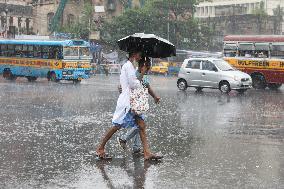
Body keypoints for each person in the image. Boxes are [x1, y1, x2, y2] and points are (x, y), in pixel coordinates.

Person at [96, 51, 162, 160]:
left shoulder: (130, 66)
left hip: (133, 103)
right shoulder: (128, 66)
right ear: (134, 54)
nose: (140, 56)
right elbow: (133, 84)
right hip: (128, 103)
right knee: (117, 126)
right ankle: (100, 148)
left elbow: (134, 83)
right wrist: (142, 73)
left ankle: (147, 153)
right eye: (139, 54)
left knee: (141, 126)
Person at [117, 57, 160, 154]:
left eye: (149, 68)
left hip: (139, 103)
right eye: (147, 67)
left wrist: (155, 97)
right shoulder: (135, 74)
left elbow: (147, 86)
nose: (148, 70)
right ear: (142, 66)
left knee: (139, 124)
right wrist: (122, 89)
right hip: (132, 104)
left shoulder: (143, 76)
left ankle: (136, 147)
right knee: (140, 124)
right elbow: (124, 84)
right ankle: (124, 139)